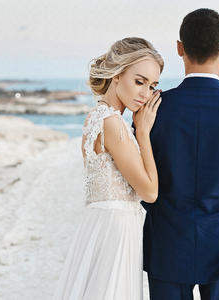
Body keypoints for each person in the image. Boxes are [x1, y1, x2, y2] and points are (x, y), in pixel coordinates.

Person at [142, 8, 219, 300]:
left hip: (168, 241)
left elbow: (139, 177)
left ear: (179, 48)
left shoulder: (152, 109)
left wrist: (165, 212)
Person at [52, 37, 164, 300]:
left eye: (152, 86)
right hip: (115, 230)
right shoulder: (112, 122)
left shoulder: (96, 116)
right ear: (116, 74)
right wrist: (144, 132)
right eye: (139, 81)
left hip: (101, 225)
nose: (146, 95)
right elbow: (149, 192)